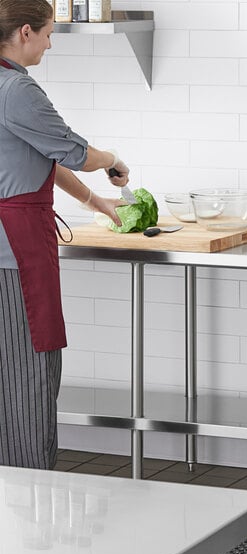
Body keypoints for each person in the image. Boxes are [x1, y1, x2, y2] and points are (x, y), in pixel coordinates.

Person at [0, 0, 129, 470]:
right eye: (50, 33)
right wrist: (113, 160)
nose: (52, 43)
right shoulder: (16, 89)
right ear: (26, 32)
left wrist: (94, 202)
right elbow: (72, 151)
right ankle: (28, 491)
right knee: (28, 373)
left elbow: (38, 154)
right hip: (13, 253)